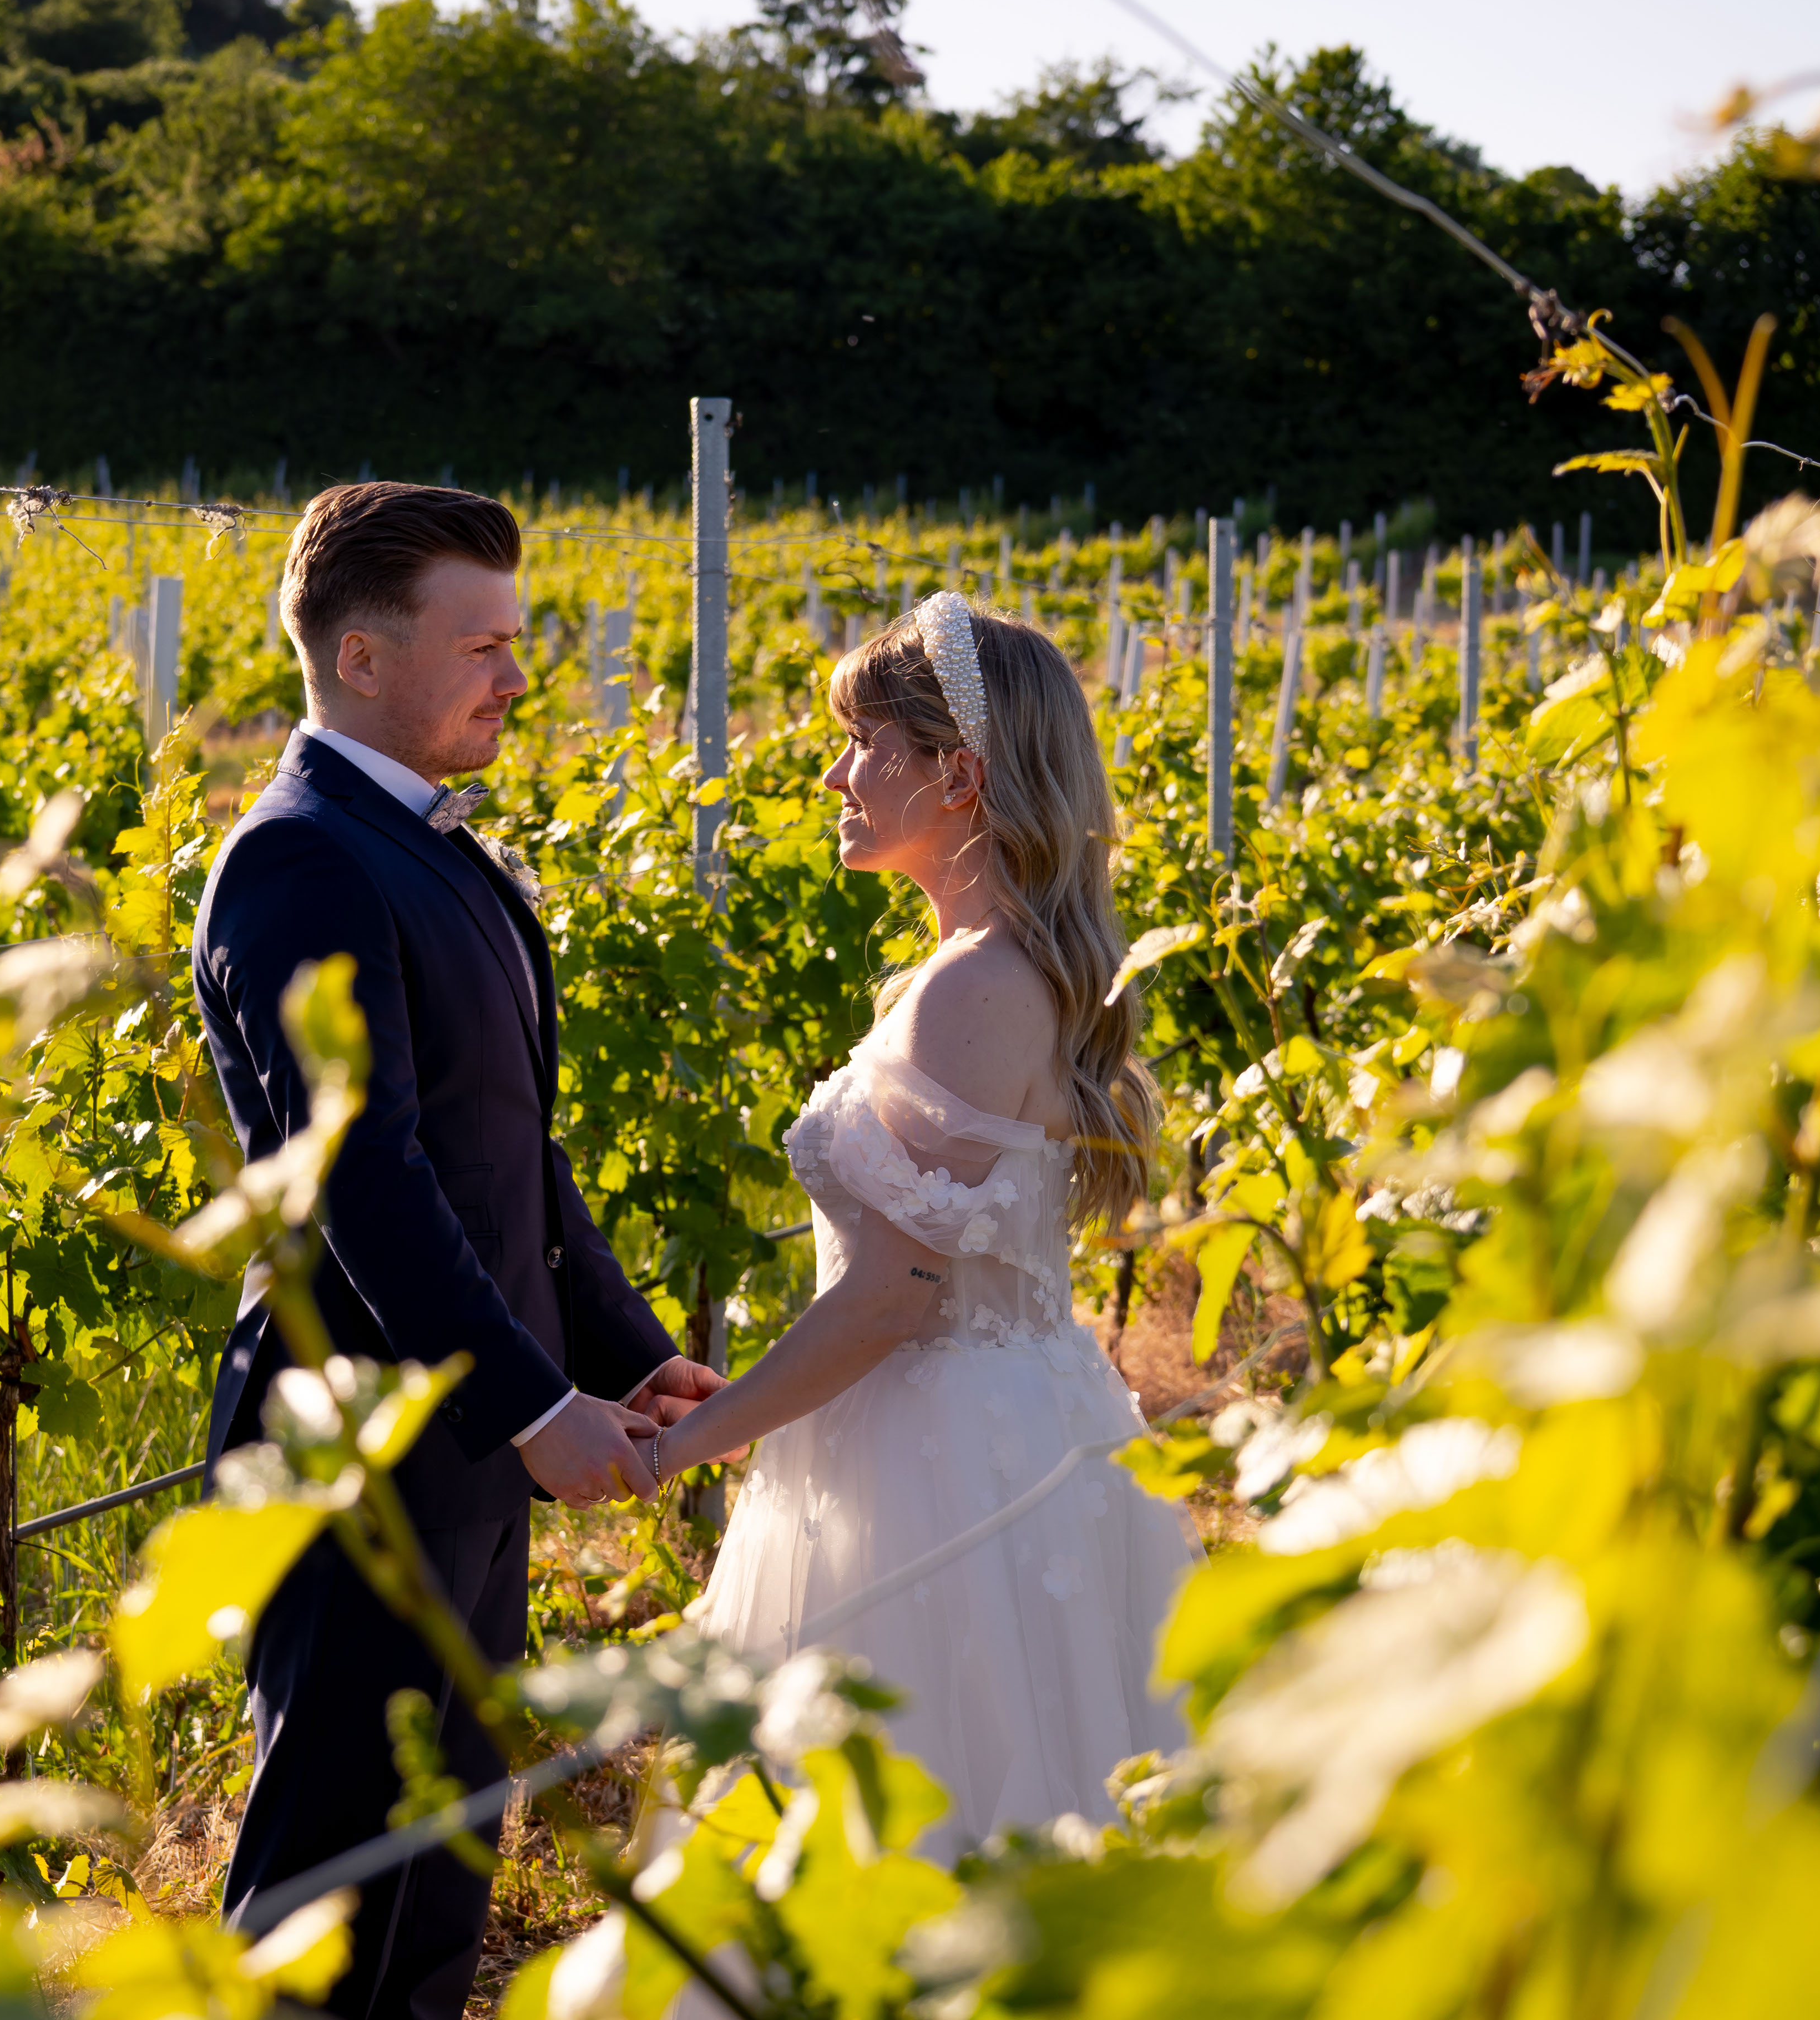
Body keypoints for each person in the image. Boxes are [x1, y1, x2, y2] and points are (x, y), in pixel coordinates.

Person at [190, 482, 727, 2020]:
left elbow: (515, 1161)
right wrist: (533, 1406)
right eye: (482, 643)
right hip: (359, 1446)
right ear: (362, 659)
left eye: (519, 639)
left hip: (463, 1441)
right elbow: (365, 1183)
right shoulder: (304, 862)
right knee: (330, 1885)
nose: (516, 673)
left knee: (442, 1869)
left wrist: (624, 1354)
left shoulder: (431, 850)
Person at [648, 591, 1199, 1850]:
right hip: (973, 1418)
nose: (836, 773)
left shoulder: (975, 988)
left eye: (864, 747)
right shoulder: (985, 971)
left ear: (959, 775)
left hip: (946, 1456)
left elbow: (899, 1295)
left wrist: (699, 1444)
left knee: (911, 1805)